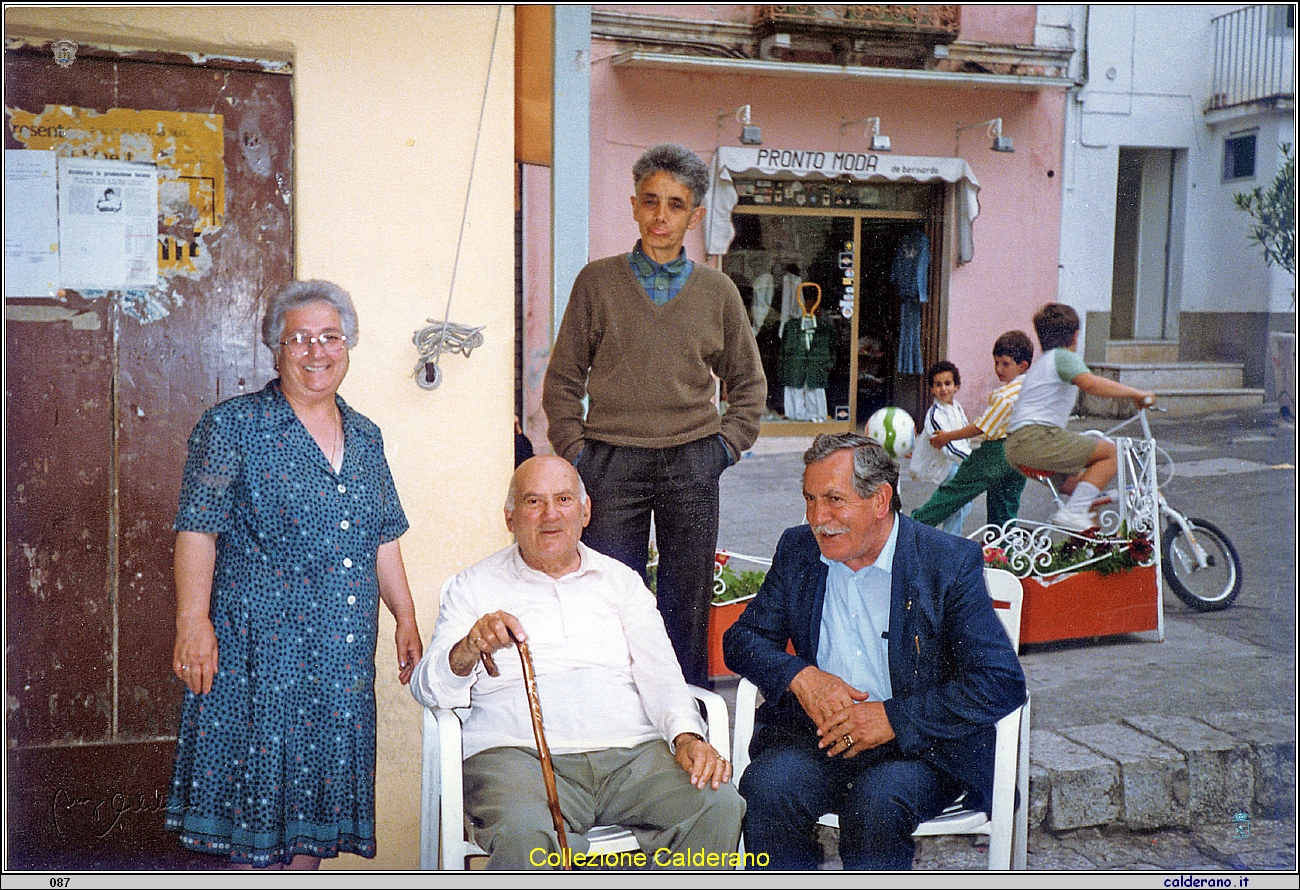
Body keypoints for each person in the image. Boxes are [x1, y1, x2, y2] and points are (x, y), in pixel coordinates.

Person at [166, 280, 423, 869]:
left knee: (311, 829)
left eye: (330, 337)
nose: (317, 351)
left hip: (340, 660)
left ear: (348, 347)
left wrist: (405, 616)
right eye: (299, 339)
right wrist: (192, 622)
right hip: (258, 658)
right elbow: (197, 529)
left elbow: (383, 534)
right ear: (276, 350)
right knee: (253, 830)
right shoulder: (232, 427)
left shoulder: (365, 436)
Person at [409, 455, 744, 870]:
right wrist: (469, 647)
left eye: (564, 499)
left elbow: (661, 673)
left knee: (717, 803)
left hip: (632, 754)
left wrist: (687, 737)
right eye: (533, 502)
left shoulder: (621, 581)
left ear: (585, 511)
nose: (550, 515)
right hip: (519, 757)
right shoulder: (472, 586)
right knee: (525, 834)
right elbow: (427, 687)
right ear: (510, 517)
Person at [723, 433, 1026, 870]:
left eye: (833, 499)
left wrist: (891, 719)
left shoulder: (945, 561)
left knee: (877, 804)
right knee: (767, 789)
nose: (817, 518)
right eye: (809, 499)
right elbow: (742, 640)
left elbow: (999, 681)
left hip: (920, 746)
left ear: (881, 499)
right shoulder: (799, 550)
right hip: (824, 738)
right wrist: (801, 677)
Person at [542, 143, 766, 687]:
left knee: (685, 598)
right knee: (609, 591)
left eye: (675, 204)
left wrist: (721, 449)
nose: (661, 215)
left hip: (692, 462)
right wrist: (579, 454)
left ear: (694, 215)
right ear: (635, 206)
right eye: (650, 201)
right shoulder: (597, 283)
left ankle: (687, 718)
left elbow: (749, 384)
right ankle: (614, 710)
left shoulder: (718, 292)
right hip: (611, 464)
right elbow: (563, 380)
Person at [1003, 303, 1155, 532]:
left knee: (1083, 490)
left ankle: (1088, 546)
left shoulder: (1044, 363)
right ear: (1074, 336)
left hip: (1018, 445)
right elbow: (1091, 383)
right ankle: (1074, 513)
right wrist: (1137, 394)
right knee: (1111, 453)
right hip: (1036, 438)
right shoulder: (1063, 357)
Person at [912, 331, 1034, 532]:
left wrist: (948, 436)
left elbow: (981, 427)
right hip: (1021, 451)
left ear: (1023, 365)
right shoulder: (1031, 387)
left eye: (1005, 364)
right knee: (1005, 504)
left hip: (997, 451)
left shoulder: (1004, 396)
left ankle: (915, 526)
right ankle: (1001, 551)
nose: (999, 369)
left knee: (955, 492)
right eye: (996, 363)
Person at [907, 360, 973, 535]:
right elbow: (949, 447)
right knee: (957, 502)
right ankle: (950, 540)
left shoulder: (956, 408)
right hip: (940, 465)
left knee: (963, 502)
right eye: (938, 385)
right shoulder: (935, 415)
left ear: (956, 386)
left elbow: (961, 439)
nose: (943, 389)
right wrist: (973, 461)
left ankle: (922, 518)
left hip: (953, 463)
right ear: (932, 389)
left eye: (948, 383)